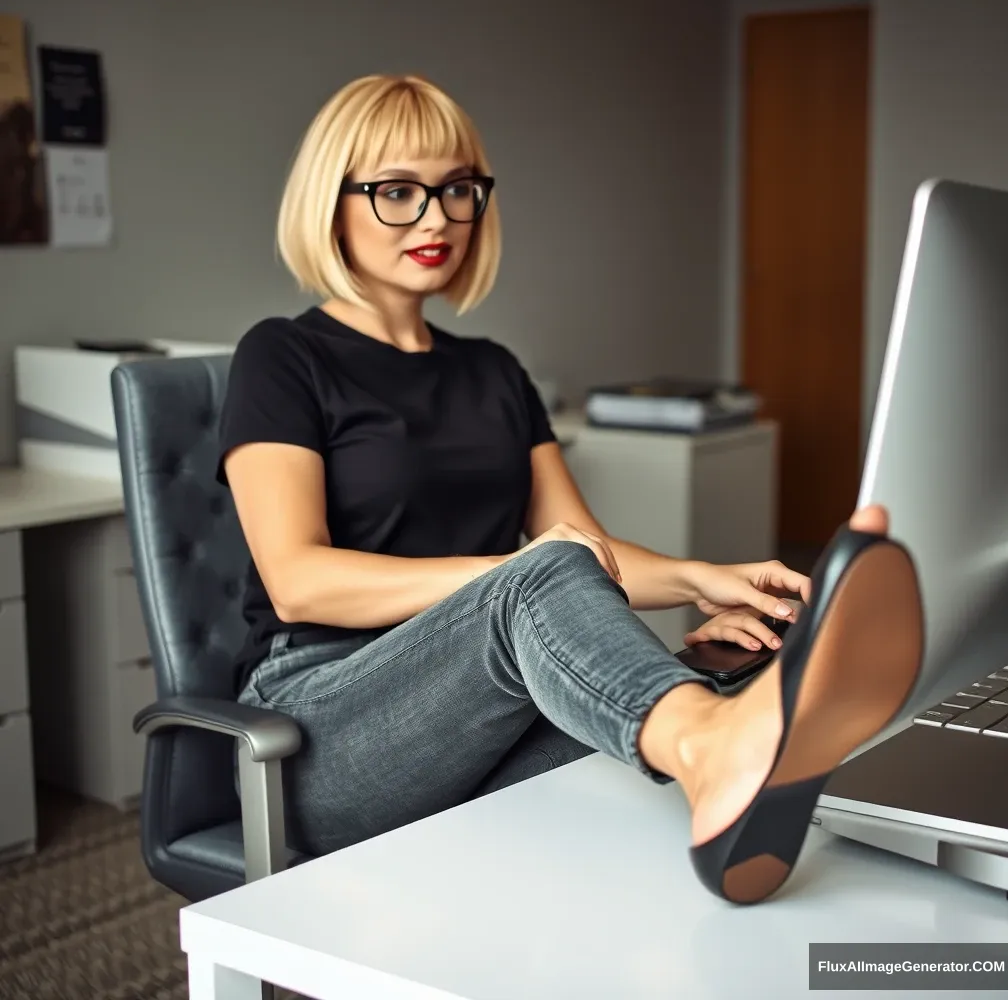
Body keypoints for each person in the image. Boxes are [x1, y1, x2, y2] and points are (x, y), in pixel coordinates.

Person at [218, 73, 923, 905]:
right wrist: (515, 575)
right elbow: (298, 582)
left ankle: (723, 721)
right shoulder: (282, 357)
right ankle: (709, 744)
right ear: (330, 202)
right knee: (564, 605)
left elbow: (583, 552)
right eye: (397, 192)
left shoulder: (493, 370)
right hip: (324, 729)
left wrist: (706, 579)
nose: (437, 218)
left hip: (476, 719)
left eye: (457, 190)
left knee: (720, 665)